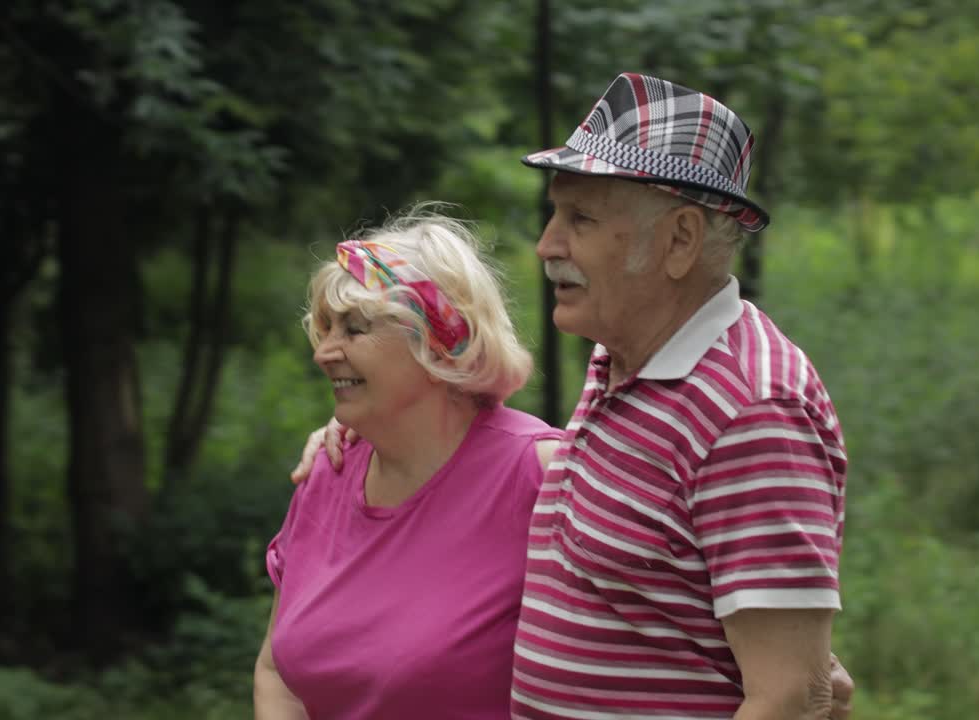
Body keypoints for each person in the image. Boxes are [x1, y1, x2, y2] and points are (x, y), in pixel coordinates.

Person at [291, 74, 855, 719]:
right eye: (555, 213)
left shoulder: (752, 412)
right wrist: (375, 434)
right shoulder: (624, 362)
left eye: (580, 218)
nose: (547, 245)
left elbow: (792, 694)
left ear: (680, 240)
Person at [254, 210, 567, 719]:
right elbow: (277, 674)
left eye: (354, 329)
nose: (324, 353)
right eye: (325, 329)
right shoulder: (328, 471)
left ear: (440, 341)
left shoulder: (539, 474)